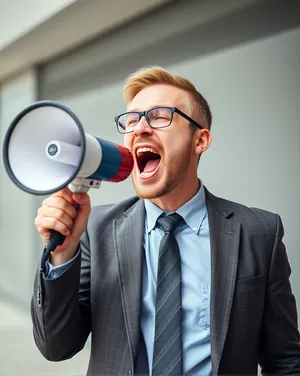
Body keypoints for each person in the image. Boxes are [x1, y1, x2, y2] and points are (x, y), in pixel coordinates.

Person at [31, 66, 300, 376]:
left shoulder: (259, 232)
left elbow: (285, 360)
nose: (140, 129)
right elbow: (56, 347)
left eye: (160, 117)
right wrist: (62, 253)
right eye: (132, 120)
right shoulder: (95, 230)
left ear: (200, 139)